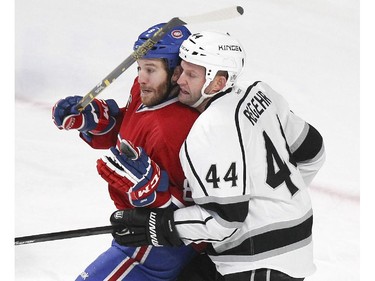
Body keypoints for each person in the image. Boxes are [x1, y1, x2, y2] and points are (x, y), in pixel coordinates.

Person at [107, 31, 326, 281]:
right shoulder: (261, 96)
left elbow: (223, 222)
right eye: (182, 70)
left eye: (192, 75)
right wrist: (279, 202)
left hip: (258, 261)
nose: (180, 81)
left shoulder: (211, 129)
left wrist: (159, 225)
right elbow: (314, 152)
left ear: (218, 82)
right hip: (293, 243)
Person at [52, 23, 207, 281]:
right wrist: (96, 121)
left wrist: (157, 196)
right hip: (135, 231)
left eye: (150, 69)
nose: (141, 77)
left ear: (176, 72)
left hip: (155, 249)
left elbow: (198, 213)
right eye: (139, 68)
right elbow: (130, 130)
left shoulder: (174, 131)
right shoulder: (147, 90)